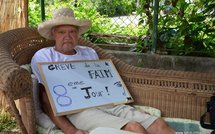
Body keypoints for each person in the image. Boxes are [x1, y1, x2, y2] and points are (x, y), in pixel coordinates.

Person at [31, 8, 175, 134]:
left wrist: (128, 109)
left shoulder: (89, 53)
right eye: (62, 32)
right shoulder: (44, 57)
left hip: (106, 103)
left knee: (159, 125)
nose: (67, 36)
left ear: (78, 34)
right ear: (53, 34)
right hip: (75, 110)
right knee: (134, 129)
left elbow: (104, 85)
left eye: (72, 31)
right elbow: (46, 99)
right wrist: (71, 130)